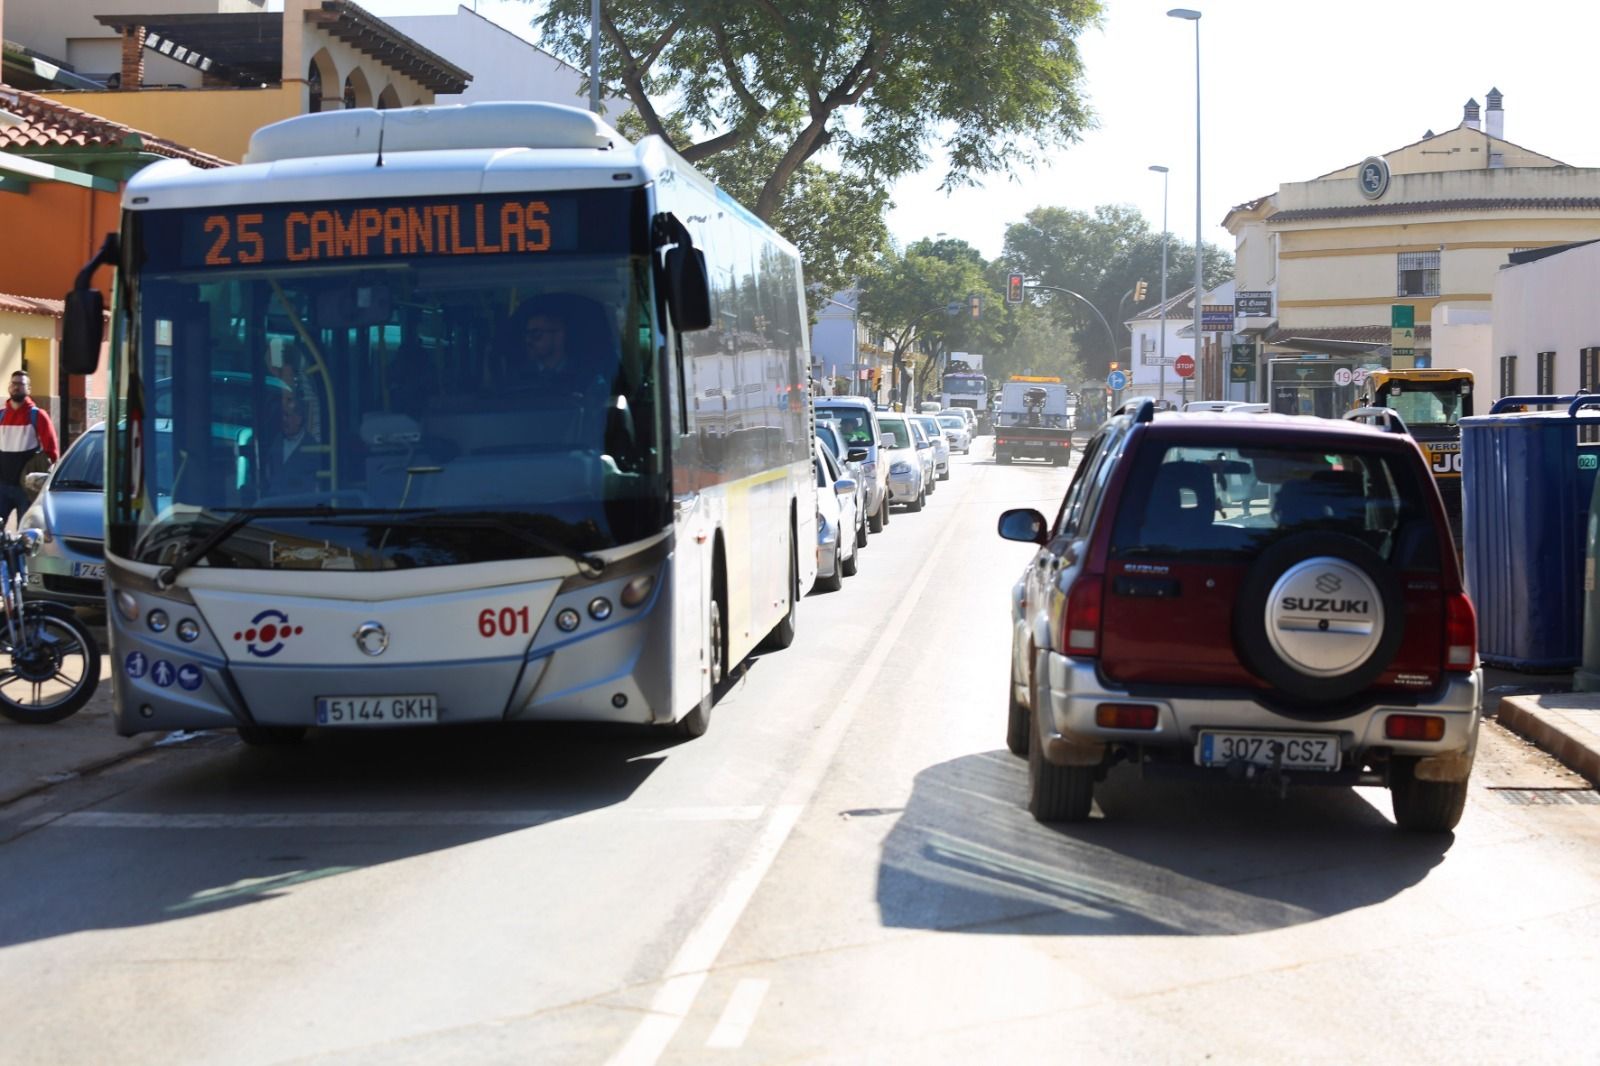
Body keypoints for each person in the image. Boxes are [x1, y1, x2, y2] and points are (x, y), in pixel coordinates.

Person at [0, 371, 59, 529]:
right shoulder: (1, 415)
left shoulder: (38, 415)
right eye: (13, 383)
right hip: (2, 486)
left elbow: (52, 452)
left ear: (29, 389)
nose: (16, 387)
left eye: (20, 384)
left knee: (25, 536)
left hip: (26, 488)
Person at [261, 372, 321, 497]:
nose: (283, 420)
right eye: (282, 416)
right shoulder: (274, 442)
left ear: (299, 418)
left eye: (287, 416)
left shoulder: (312, 448)